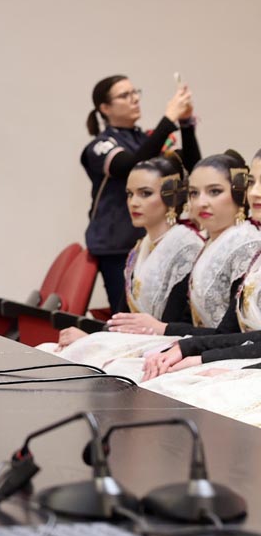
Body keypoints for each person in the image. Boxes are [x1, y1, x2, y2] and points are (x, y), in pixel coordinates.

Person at [53, 153, 261, 376]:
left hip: (223, 348)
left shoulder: (233, 244)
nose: (134, 202)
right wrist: (101, 334)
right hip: (214, 346)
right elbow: (132, 320)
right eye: (194, 193)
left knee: (130, 370)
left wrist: (191, 350)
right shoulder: (147, 246)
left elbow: (179, 324)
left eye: (145, 193)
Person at [55, 154, 203, 349]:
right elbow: (122, 320)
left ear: (172, 196)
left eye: (145, 193)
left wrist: (93, 341)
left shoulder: (186, 247)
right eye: (130, 194)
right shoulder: (141, 246)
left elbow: (173, 326)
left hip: (165, 347)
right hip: (136, 343)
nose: (133, 202)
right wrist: (93, 338)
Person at [82, 74, 200, 310]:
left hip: (159, 238)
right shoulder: (100, 145)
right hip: (118, 245)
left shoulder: (147, 139)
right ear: (105, 108)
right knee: (131, 312)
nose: (134, 99)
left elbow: (194, 167)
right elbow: (130, 166)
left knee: (164, 312)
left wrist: (185, 123)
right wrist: (168, 119)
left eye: (135, 92)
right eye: (125, 95)